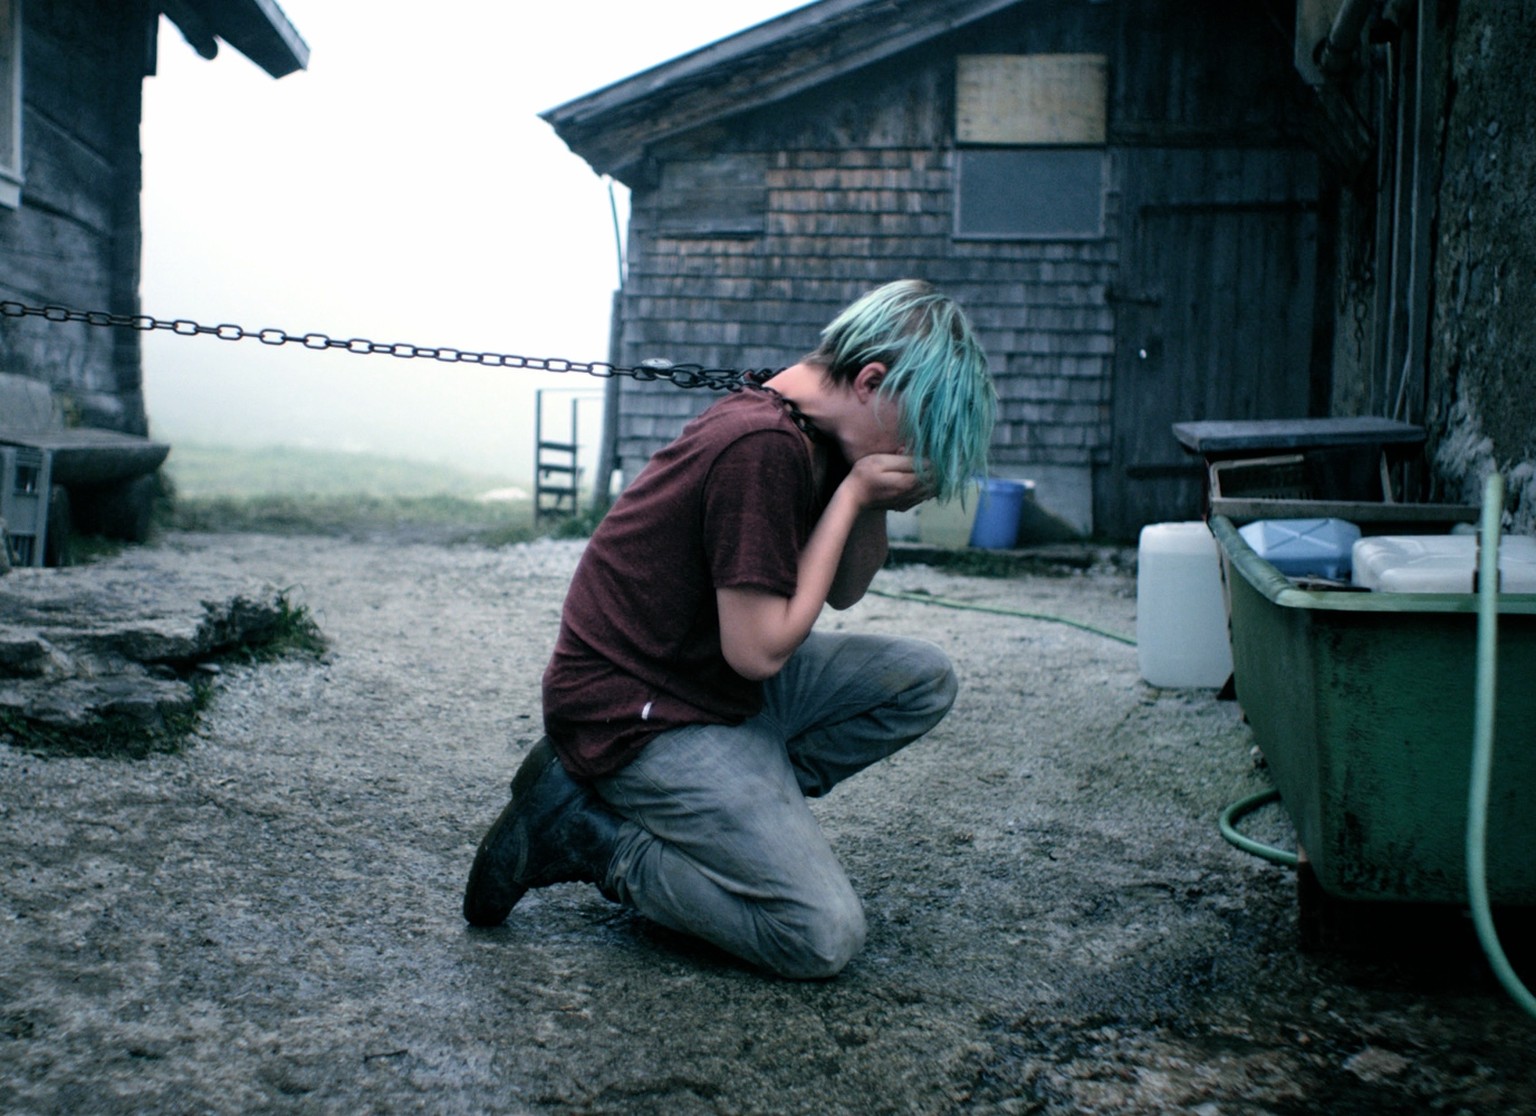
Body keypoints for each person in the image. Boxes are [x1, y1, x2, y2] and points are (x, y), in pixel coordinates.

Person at [463, 279, 995, 979]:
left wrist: (866, 499)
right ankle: (593, 838)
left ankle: (726, 811)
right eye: (921, 430)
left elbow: (844, 589)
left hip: (708, 684)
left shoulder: (820, 431)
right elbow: (759, 651)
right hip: (640, 712)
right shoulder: (759, 445)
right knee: (818, 934)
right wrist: (860, 491)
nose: (918, 452)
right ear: (871, 381)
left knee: (922, 680)